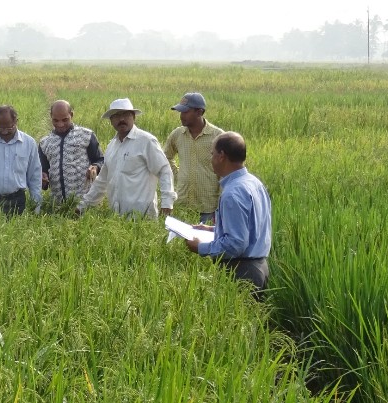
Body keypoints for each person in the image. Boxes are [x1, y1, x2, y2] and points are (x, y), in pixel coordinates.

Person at [185, 132, 272, 299]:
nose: (211, 159)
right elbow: (249, 227)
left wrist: (201, 248)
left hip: (242, 271)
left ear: (221, 156)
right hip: (259, 267)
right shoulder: (253, 183)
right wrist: (212, 230)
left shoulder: (233, 193)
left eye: (212, 154)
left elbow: (236, 244)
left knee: (239, 323)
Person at [77, 98, 176, 219]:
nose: (121, 119)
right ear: (111, 121)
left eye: (126, 114)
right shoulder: (111, 146)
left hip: (142, 217)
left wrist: (167, 202)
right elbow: (102, 182)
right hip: (116, 217)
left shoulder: (146, 141)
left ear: (133, 117)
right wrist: (83, 206)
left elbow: (164, 170)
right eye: (116, 116)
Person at [163, 92, 225, 224]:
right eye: (180, 112)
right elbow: (166, 158)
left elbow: (226, 171)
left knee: (206, 243)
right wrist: (178, 175)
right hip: (182, 205)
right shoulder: (177, 135)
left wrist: (221, 205)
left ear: (199, 112)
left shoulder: (218, 136)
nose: (181, 116)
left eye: (185, 112)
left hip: (208, 208)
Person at [38, 100, 104, 208]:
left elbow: (101, 160)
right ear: (51, 117)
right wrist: (43, 179)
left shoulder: (86, 135)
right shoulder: (44, 143)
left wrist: (95, 167)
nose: (60, 124)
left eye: (65, 120)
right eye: (55, 120)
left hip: (85, 204)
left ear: (71, 115)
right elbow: (43, 171)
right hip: (57, 206)